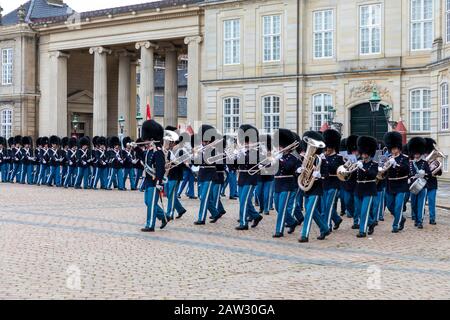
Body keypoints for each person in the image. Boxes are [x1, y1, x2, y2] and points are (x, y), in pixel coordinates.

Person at [298, 131, 330, 243]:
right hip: (307, 187)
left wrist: (319, 174)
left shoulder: (322, 159)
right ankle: (325, 228)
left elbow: (326, 174)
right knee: (310, 210)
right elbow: (301, 172)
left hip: (316, 188)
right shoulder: (306, 158)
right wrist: (299, 171)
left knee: (309, 212)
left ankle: (304, 234)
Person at [141, 120, 168, 232]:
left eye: (147, 139)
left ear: (152, 138)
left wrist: (159, 182)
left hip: (154, 180)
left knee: (151, 203)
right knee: (147, 202)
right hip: (148, 179)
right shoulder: (149, 151)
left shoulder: (158, 151)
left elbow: (160, 169)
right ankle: (163, 216)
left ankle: (150, 225)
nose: (145, 141)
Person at [235, 124, 263, 231]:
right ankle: (256, 216)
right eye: (245, 141)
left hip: (251, 178)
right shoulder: (242, 151)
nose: (246, 144)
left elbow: (263, 162)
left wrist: (244, 153)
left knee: (243, 201)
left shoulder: (257, 151)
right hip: (242, 177)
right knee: (243, 200)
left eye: (248, 142)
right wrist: (235, 156)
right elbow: (234, 166)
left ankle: (243, 223)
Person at [193, 124, 222, 225]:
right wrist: (195, 154)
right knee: (202, 196)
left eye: (205, 141)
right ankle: (215, 213)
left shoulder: (214, 149)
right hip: (202, 174)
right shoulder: (201, 149)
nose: (203, 142)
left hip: (210, 174)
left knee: (204, 197)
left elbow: (211, 161)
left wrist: (203, 152)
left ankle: (201, 218)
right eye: (203, 141)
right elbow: (196, 163)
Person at [272, 129, 297, 238]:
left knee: (282, 208)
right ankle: (292, 221)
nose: (279, 148)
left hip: (287, 184)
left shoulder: (292, 158)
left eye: (280, 146)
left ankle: (279, 230)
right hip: (277, 183)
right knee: (277, 207)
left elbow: (288, 167)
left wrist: (279, 160)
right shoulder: (277, 156)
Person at [383, 131, 409, 233]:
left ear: (399, 147)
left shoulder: (404, 158)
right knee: (390, 206)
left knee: (398, 206)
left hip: (401, 185)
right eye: (392, 148)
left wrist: (396, 165)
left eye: (395, 148)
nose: (393, 150)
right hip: (390, 185)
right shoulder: (388, 158)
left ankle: (396, 225)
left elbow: (407, 169)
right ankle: (401, 218)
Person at [354, 136, 379, 238]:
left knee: (364, 211)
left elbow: (373, 174)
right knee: (359, 211)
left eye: (365, 154)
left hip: (369, 189)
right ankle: (371, 222)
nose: (364, 155)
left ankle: (362, 231)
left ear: (369, 154)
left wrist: (363, 169)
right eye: (363, 153)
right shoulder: (358, 163)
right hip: (359, 188)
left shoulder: (374, 164)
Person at [322, 129, 344, 231]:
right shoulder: (323, 157)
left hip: (334, 184)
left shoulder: (339, 157)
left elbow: (335, 168)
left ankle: (327, 226)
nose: (327, 150)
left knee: (329, 205)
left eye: (328, 147)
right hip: (324, 183)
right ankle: (336, 219)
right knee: (325, 205)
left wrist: (324, 161)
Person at [164, 126, 187, 221]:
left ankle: (170, 213)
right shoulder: (170, 151)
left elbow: (183, 165)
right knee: (170, 194)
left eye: (170, 142)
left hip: (177, 175)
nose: (169, 143)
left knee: (171, 194)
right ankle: (180, 209)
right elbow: (167, 163)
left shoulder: (180, 151)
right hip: (170, 174)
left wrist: (174, 161)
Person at [407, 137, 431, 229]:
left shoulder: (424, 163)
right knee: (414, 204)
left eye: (417, 153)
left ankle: (419, 221)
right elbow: (408, 174)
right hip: (413, 186)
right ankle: (416, 219)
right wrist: (408, 179)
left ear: (420, 152)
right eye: (415, 153)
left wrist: (424, 174)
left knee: (421, 204)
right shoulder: (410, 163)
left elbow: (429, 174)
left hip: (422, 186)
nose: (416, 154)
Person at [341, 135, 359, 228]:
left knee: (357, 203)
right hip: (347, 183)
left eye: (355, 151)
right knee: (347, 201)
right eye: (353, 151)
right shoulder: (345, 157)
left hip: (357, 183)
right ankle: (352, 214)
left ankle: (356, 221)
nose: (354, 152)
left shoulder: (361, 158)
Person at [424, 138, 441, 225]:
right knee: (421, 202)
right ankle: (419, 216)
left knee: (431, 201)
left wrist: (436, 167)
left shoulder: (435, 161)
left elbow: (440, 173)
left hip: (432, 184)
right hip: (423, 183)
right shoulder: (423, 159)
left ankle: (432, 218)